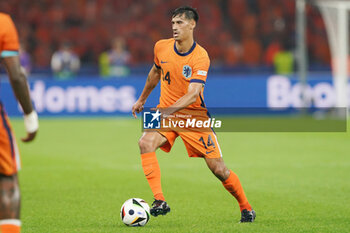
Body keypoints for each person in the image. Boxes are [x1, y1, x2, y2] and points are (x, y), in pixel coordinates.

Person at [132, 6, 256, 222]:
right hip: (165, 112)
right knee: (145, 143)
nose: (174, 27)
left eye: (179, 23)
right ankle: (159, 200)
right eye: (172, 23)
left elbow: (192, 95)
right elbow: (155, 73)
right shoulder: (161, 47)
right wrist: (142, 99)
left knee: (219, 169)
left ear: (192, 25)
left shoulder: (200, 57)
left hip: (194, 118)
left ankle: (246, 207)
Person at [0, 13, 39, 233]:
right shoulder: (3, 23)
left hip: (164, 112)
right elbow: (16, 75)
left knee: (145, 142)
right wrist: (30, 116)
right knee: (7, 179)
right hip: (162, 112)